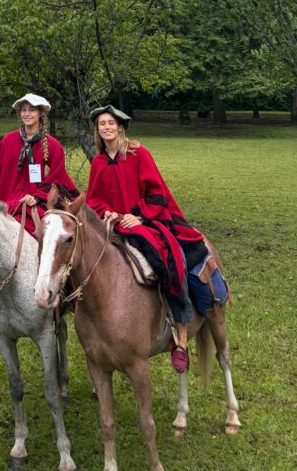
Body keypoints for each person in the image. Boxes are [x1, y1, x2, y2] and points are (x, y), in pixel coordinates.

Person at [84, 104, 208, 372]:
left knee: (165, 258)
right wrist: (110, 214)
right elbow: (94, 200)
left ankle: (180, 332)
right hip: (114, 224)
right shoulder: (98, 162)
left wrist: (138, 216)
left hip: (147, 221)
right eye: (101, 124)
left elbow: (156, 193)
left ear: (120, 127)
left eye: (110, 123)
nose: (105, 127)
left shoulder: (139, 154)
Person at [0, 93, 78, 231]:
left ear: (40, 113)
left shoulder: (53, 146)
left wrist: (37, 197)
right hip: (7, 204)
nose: (27, 113)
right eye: (23, 110)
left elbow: (57, 180)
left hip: (38, 206)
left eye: (31, 110)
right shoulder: (8, 140)